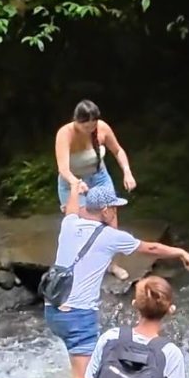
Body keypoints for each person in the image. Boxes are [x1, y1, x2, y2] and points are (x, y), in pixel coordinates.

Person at [44, 179, 189, 378]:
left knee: (84, 372)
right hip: (78, 316)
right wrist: (180, 252)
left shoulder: (69, 224)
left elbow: (70, 209)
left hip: (53, 310)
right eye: (115, 208)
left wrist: (76, 192)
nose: (116, 212)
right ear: (106, 210)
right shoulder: (110, 237)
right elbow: (151, 249)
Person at [55, 99, 135, 282]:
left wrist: (127, 172)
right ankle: (82, 267)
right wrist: (76, 183)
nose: (90, 129)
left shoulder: (102, 128)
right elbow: (63, 169)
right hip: (72, 182)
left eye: (93, 125)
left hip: (99, 176)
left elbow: (118, 151)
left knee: (111, 220)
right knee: (82, 224)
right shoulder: (65, 134)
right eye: (86, 126)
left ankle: (112, 264)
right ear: (76, 121)